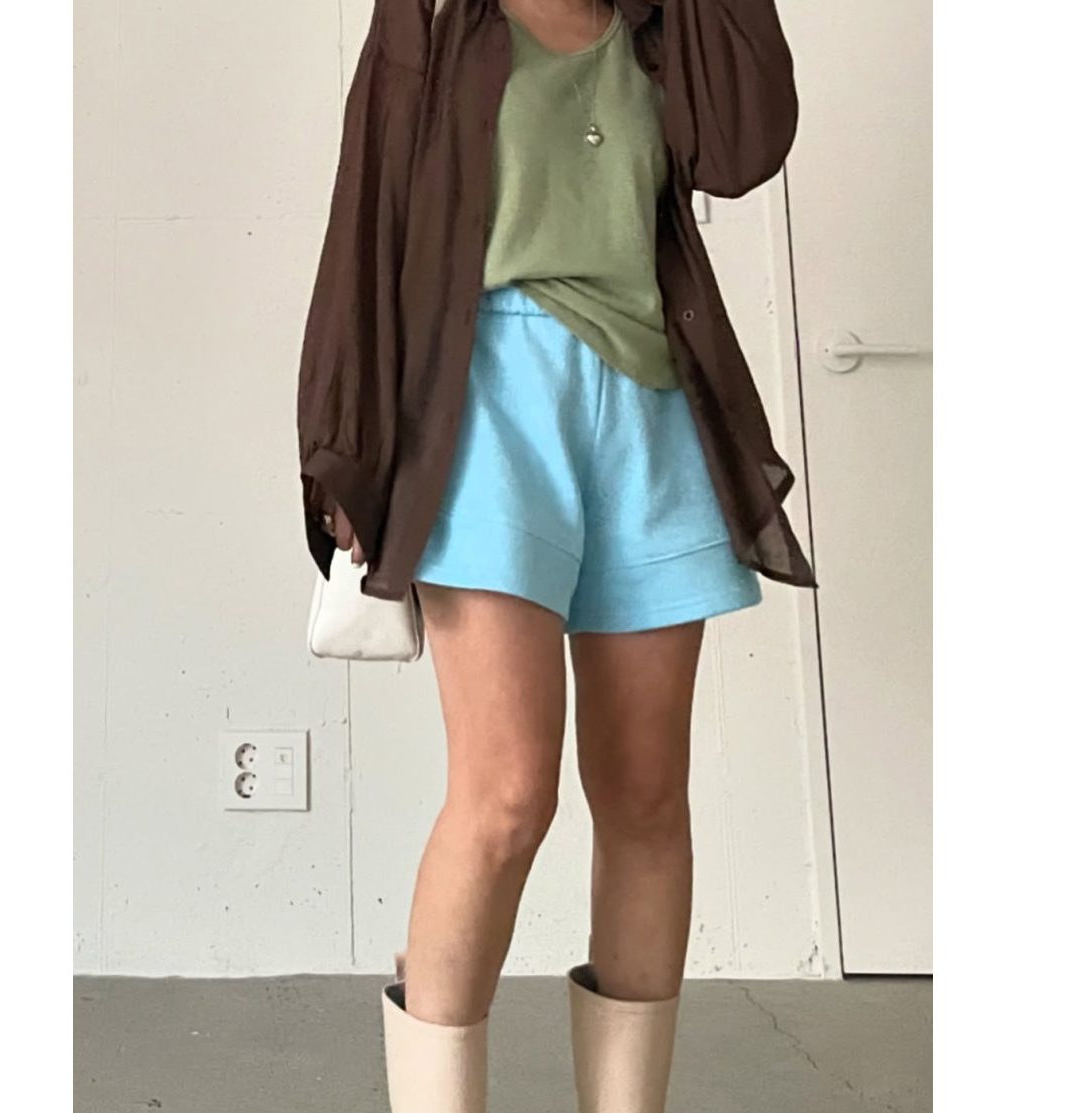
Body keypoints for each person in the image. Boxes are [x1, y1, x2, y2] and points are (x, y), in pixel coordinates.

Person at [297, 2, 814, 1110]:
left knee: (645, 797)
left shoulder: (658, 26)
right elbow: (367, 218)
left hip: (648, 409)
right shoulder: (435, 19)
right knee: (504, 796)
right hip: (484, 403)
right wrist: (345, 447)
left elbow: (743, 145)